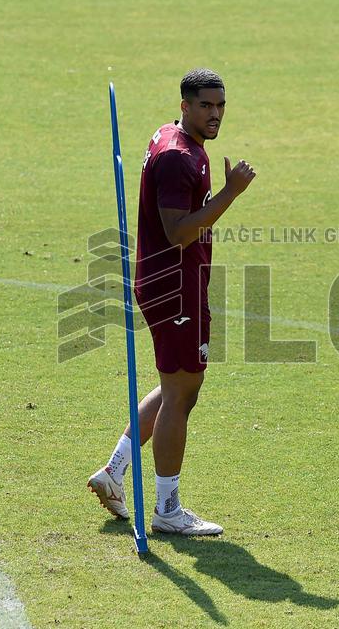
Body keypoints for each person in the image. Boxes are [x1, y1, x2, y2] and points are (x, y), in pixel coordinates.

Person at [88, 68, 256, 535]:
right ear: (185, 105)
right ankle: (167, 510)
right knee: (182, 394)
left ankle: (114, 472)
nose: (215, 113)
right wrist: (231, 193)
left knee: (176, 388)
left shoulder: (168, 135)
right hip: (174, 286)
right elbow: (179, 232)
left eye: (220, 105)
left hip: (171, 282)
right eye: (206, 105)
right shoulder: (178, 158)